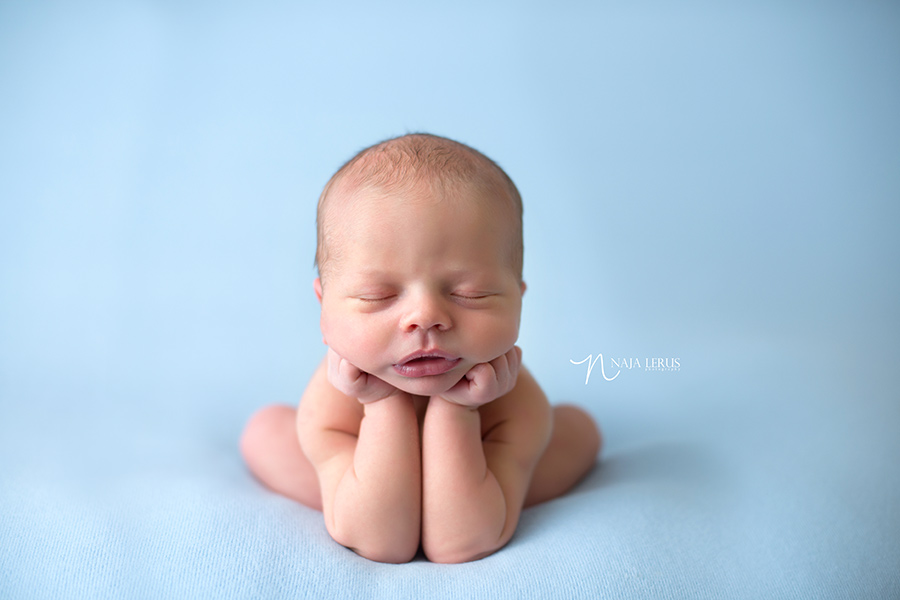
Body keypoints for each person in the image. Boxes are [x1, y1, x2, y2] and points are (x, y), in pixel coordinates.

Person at [240, 133, 601, 564]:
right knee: (266, 431)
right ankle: (342, 488)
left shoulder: (516, 404)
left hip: (484, 476)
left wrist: (459, 409)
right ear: (324, 304)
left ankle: (509, 479)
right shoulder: (333, 401)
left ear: (519, 298)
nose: (426, 316)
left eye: (472, 293)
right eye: (378, 295)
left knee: (578, 430)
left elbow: (461, 542)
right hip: (358, 467)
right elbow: (382, 542)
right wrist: (379, 404)